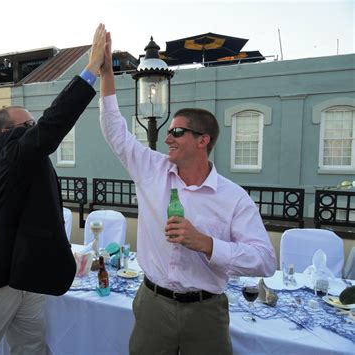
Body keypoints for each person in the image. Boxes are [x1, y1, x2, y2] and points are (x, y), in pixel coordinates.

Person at [99, 32, 277, 354]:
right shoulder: (151, 170)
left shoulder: (233, 197)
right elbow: (115, 132)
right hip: (152, 304)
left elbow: (265, 261)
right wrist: (107, 75)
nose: (168, 138)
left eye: (177, 132)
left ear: (203, 140)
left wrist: (207, 244)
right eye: (168, 132)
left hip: (205, 312)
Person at [0, 23, 107, 354]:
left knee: (32, 349)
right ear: (7, 132)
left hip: (26, 275)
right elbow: (53, 124)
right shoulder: (5, 149)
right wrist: (90, 69)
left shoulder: (21, 156)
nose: (35, 129)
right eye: (29, 125)